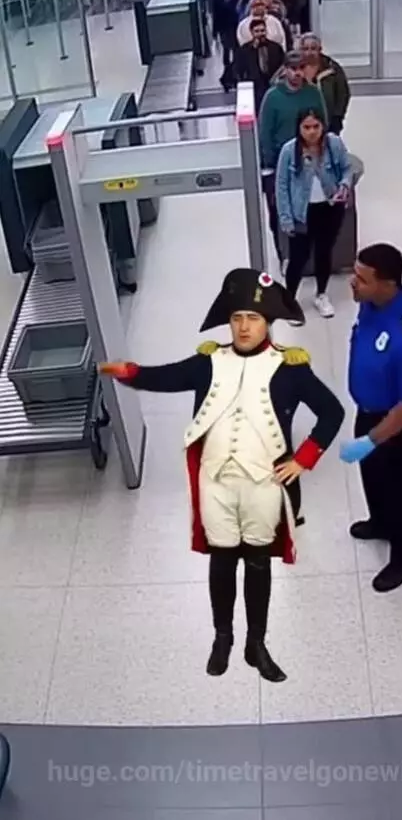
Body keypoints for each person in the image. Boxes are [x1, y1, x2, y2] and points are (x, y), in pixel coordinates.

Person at [98, 269, 345, 682]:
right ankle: (223, 637)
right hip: (216, 483)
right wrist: (130, 372)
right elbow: (167, 376)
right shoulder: (208, 361)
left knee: (259, 565)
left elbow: (332, 412)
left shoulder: (291, 367)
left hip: (264, 484)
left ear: (268, 322)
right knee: (222, 563)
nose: (244, 326)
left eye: (253, 318)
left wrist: (303, 458)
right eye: (237, 318)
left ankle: (257, 643)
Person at [340, 244, 402, 593]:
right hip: (369, 411)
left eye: (362, 279)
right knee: (373, 476)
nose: (353, 283)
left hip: (400, 424)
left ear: (388, 284)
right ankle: (381, 522)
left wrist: (372, 438)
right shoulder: (370, 304)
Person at [275, 108, 352, 318]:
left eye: (316, 127)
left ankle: (321, 294)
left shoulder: (334, 144)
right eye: (306, 127)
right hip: (302, 212)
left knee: (324, 252)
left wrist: (344, 184)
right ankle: (288, 299)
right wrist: (285, 217)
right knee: (298, 257)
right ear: (299, 128)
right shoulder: (289, 151)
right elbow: (281, 186)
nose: (311, 132)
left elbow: (347, 168)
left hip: (329, 208)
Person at [259, 49, 328, 263]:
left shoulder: (313, 93)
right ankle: (282, 253)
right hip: (279, 161)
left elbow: (323, 124)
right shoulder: (273, 97)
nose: (297, 74)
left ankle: (307, 254)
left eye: (301, 69)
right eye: (292, 69)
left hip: (309, 160)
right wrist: (269, 163)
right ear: (285, 70)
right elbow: (265, 133)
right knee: (278, 208)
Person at [299, 33, 351, 135]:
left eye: (313, 48)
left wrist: (338, 117)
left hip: (328, 121)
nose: (309, 52)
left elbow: (343, 94)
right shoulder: (295, 68)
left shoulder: (332, 68)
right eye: (305, 49)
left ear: (320, 49)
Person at [235, 18, 285, 111]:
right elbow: (240, 68)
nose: (260, 34)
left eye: (262, 30)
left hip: (273, 84)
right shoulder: (244, 50)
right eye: (257, 31)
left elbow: (283, 65)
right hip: (255, 87)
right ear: (252, 32)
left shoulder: (276, 47)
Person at [211, 0, 241, 90]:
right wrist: (215, 31)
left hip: (235, 26)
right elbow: (215, 15)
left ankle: (234, 70)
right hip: (224, 28)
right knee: (226, 49)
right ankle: (227, 68)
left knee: (236, 49)